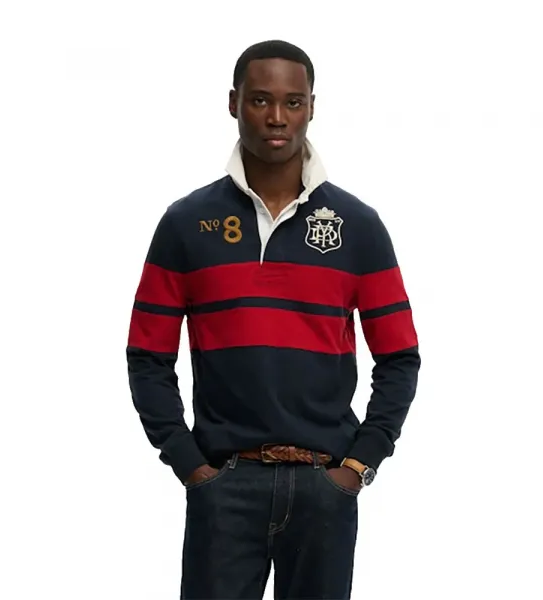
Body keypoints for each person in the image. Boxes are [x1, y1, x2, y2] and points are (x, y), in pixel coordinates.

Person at [126, 39, 421, 600]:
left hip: (325, 485)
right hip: (224, 485)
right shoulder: (186, 224)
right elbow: (147, 355)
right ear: (233, 103)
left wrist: (358, 465)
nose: (277, 118)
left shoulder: (357, 226)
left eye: (293, 101)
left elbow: (400, 357)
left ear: (312, 107)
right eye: (260, 100)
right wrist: (189, 465)